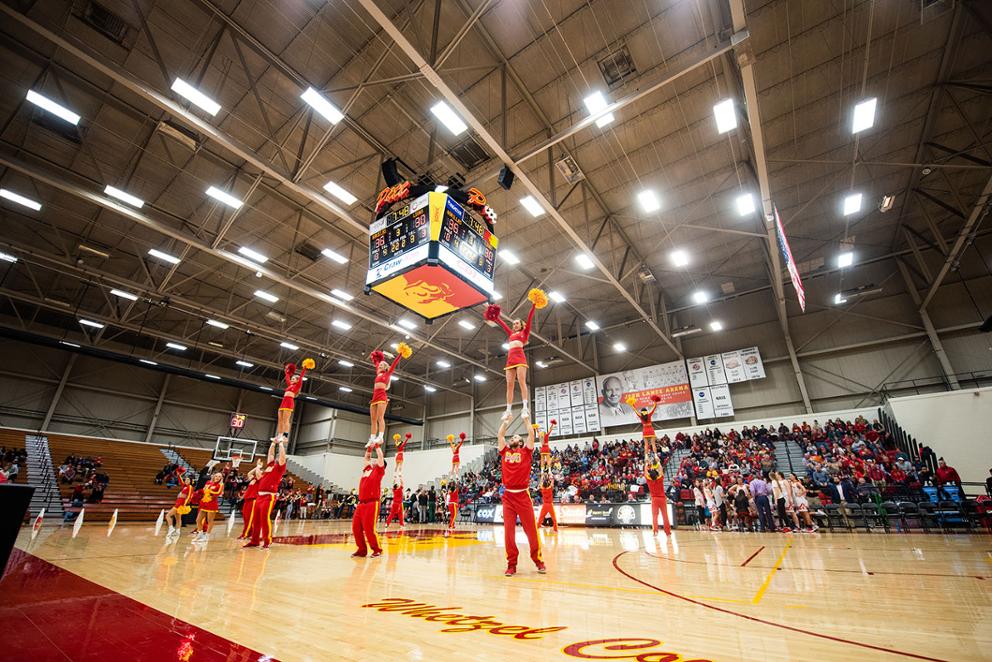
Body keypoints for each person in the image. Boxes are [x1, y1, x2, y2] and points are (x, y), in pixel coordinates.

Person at [484, 288, 546, 421]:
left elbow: (530, 317)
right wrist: (490, 309)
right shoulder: (511, 334)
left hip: (520, 359)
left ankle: (525, 407)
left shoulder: (525, 332)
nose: (514, 325)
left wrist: (534, 304)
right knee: (509, 385)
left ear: (521, 325)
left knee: (522, 382)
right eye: (513, 324)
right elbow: (499, 321)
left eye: (516, 323)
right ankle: (508, 410)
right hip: (510, 360)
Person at [498, 414, 545, 576]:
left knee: (531, 531)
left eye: (516, 437)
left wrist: (526, 420)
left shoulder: (526, 451)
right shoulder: (504, 452)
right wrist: (506, 422)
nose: (513, 438)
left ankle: (538, 560)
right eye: (512, 437)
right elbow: (500, 435)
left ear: (520, 442)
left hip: (523, 496)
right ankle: (512, 564)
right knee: (508, 533)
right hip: (508, 497)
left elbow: (531, 435)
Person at [244, 437, 287, 549]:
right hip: (259, 496)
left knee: (264, 519)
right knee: (256, 520)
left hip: (269, 496)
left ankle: (267, 541)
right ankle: (255, 541)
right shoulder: (270, 466)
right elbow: (271, 455)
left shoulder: (280, 468)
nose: (276, 458)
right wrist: (273, 444)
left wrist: (281, 443)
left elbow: (282, 457)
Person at [368, 345, 410, 446]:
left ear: (386, 367)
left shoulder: (387, 374)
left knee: (380, 418)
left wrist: (400, 353)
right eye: (380, 364)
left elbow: (394, 363)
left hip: (382, 396)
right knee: (373, 419)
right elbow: (375, 360)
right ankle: (372, 438)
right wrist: (375, 354)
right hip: (374, 397)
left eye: (382, 364)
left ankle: (380, 437)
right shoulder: (377, 372)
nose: (380, 365)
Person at [352, 442, 386, 558]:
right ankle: (361, 550)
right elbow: (367, 457)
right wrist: (370, 448)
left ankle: (377, 550)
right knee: (356, 528)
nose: (374, 460)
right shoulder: (367, 469)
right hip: (361, 503)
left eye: (377, 460)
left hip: (372, 503)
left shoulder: (379, 471)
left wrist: (377, 446)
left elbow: (381, 457)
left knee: (369, 529)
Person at [275, 359, 312, 443]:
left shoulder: (297, 386)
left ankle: (285, 436)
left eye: (294, 378)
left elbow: (301, 376)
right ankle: (279, 435)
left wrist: (304, 368)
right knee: (280, 420)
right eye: (292, 378)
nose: (292, 379)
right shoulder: (289, 385)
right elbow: (287, 376)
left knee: (286, 420)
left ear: (297, 380)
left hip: (289, 403)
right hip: (283, 402)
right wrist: (287, 370)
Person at [643, 441, 671, 535]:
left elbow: (646, 472)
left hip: (654, 499)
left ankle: (655, 531)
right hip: (662, 498)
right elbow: (661, 470)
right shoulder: (660, 478)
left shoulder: (649, 480)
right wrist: (657, 461)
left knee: (655, 516)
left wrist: (646, 463)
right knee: (665, 515)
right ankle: (667, 532)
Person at [193, 472, 223, 541]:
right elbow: (204, 490)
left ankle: (207, 536)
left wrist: (210, 491)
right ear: (214, 476)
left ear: (221, 478)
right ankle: (200, 534)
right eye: (216, 476)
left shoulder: (220, 485)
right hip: (204, 502)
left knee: (210, 521)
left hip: (212, 504)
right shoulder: (208, 482)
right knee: (198, 520)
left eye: (219, 477)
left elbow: (218, 493)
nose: (217, 477)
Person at [238, 459, 264, 539]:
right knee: (246, 517)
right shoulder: (253, 479)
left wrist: (259, 468)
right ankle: (250, 533)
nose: (259, 472)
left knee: (249, 518)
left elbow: (259, 475)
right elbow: (249, 473)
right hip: (247, 500)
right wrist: (257, 466)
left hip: (254, 500)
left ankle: (245, 534)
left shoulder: (262, 480)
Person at [165, 469, 193, 534]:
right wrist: (179, 474)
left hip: (180, 504)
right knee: (178, 519)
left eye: (188, 480)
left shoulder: (190, 487)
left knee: (168, 515)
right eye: (185, 479)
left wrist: (184, 504)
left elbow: (189, 496)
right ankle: (177, 531)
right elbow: (180, 481)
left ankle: (171, 528)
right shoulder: (184, 486)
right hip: (178, 502)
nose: (186, 480)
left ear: (191, 481)